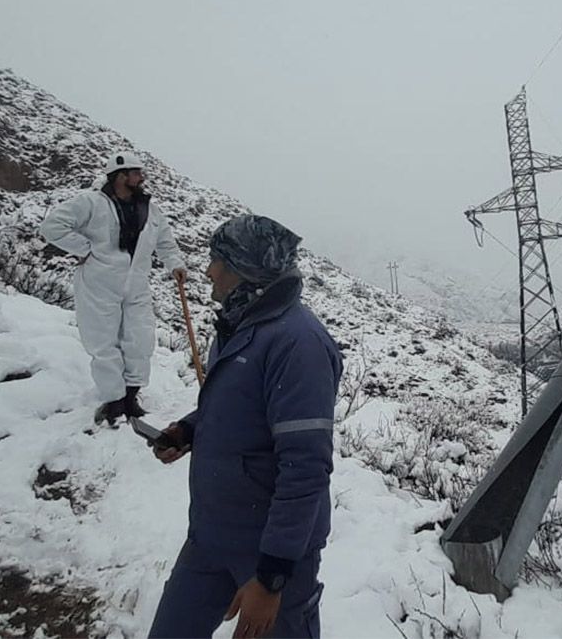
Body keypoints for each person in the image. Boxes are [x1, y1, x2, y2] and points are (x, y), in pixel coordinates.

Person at [149, 214, 342, 639]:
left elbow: (305, 467)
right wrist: (189, 430)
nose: (207, 270)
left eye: (216, 259)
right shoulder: (240, 323)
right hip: (211, 534)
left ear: (243, 268)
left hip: (271, 552)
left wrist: (272, 578)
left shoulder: (298, 343)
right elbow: (237, 410)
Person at [39, 151, 186, 425]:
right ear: (120, 176)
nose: (141, 178)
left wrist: (175, 264)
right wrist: (85, 249)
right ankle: (114, 401)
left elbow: (165, 242)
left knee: (140, 339)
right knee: (103, 341)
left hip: (137, 282)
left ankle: (132, 395)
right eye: (136, 173)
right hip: (99, 280)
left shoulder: (150, 209)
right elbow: (52, 226)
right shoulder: (91, 202)